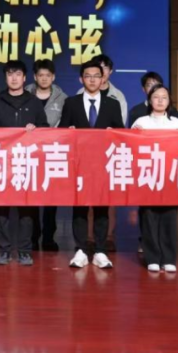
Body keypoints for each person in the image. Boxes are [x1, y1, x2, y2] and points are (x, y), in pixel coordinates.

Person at [0, 59, 47, 266]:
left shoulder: (34, 102)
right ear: (5, 78)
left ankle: (25, 250)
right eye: (10, 74)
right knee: (1, 209)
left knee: (27, 209)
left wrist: (36, 129)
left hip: (27, 162)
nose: (14, 78)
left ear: (25, 78)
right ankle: (4, 249)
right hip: (2, 162)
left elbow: (45, 128)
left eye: (18, 74)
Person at [60, 59, 123, 270]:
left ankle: (100, 250)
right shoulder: (71, 103)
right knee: (79, 206)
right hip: (79, 163)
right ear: (81, 79)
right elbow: (62, 131)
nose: (93, 80)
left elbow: (120, 133)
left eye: (97, 76)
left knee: (102, 207)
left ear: (103, 78)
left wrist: (113, 134)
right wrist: (68, 131)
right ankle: (80, 249)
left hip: (103, 164)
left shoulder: (112, 104)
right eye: (88, 76)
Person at [132, 85, 178, 273]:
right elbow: (131, 147)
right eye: (156, 97)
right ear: (149, 100)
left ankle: (169, 258)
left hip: (170, 176)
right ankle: (152, 257)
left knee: (169, 217)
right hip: (148, 176)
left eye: (164, 97)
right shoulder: (141, 122)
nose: (160, 100)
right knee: (149, 217)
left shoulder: (176, 124)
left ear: (169, 101)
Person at [27, 58, 68, 251]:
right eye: (40, 75)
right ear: (35, 77)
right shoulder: (25, 94)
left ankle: (49, 237)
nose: (44, 78)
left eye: (48, 75)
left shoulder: (63, 98)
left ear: (54, 77)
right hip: (30, 152)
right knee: (32, 198)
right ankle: (33, 237)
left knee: (51, 198)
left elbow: (65, 124)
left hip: (53, 152)